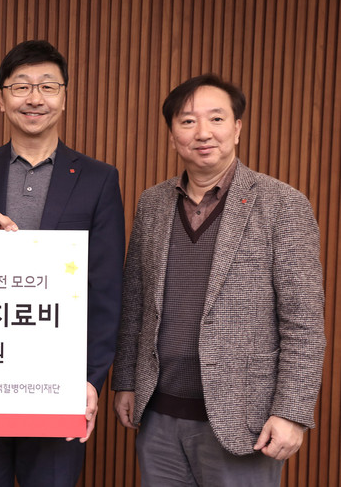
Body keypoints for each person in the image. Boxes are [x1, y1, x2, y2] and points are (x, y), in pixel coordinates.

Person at [110, 74, 326, 486]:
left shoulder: (282, 204)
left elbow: (304, 323)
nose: (203, 132)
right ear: (172, 134)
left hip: (244, 421)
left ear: (237, 128)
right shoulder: (153, 203)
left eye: (216, 118)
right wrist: (126, 381)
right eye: (188, 121)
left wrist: (292, 412)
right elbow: (135, 301)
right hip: (157, 415)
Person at [0, 40, 125, 487]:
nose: (34, 98)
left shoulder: (98, 179)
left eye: (47, 86)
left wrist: (90, 379)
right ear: (1, 99)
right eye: (21, 86)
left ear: (64, 97)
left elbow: (105, 289)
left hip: (58, 379)